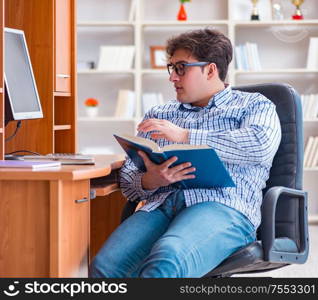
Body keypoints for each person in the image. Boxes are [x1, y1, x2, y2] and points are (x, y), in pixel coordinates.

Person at [90, 28, 281, 278]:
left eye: (181, 68)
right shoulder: (160, 114)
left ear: (211, 70)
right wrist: (150, 180)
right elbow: (128, 177)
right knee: (104, 268)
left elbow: (260, 145)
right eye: (171, 68)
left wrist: (185, 136)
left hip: (223, 206)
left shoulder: (254, 104)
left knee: (167, 261)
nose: (172, 77)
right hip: (161, 205)